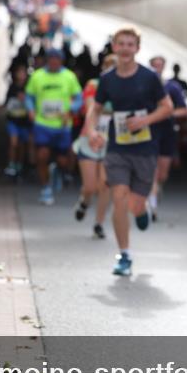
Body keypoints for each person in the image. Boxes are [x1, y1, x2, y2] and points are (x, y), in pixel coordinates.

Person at [83, 26, 174, 276]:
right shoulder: (108, 79)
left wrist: (144, 121)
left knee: (134, 205)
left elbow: (167, 107)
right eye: (120, 43)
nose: (125, 48)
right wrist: (92, 132)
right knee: (119, 197)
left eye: (130, 44)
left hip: (145, 149)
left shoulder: (148, 77)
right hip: (117, 149)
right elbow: (95, 108)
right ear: (114, 47)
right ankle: (124, 255)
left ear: (137, 48)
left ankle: (142, 210)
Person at [26, 48, 83, 205]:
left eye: (57, 59)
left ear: (61, 61)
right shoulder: (38, 76)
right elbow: (29, 97)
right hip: (42, 123)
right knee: (42, 155)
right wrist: (30, 110)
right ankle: (45, 189)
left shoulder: (69, 77)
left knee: (63, 161)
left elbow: (79, 98)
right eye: (51, 59)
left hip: (62, 126)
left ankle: (58, 171)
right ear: (47, 60)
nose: (54, 62)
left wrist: (71, 110)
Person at [73, 55, 118, 239]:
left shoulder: (125, 88)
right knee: (90, 186)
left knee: (105, 184)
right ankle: (84, 202)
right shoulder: (93, 85)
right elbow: (92, 108)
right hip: (90, 138)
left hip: (112, 142)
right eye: (109, 67)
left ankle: (99, 223)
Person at [148, 55, 187, 222]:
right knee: (152, 169)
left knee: (162, 174)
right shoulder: (145, 84)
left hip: (167, 132)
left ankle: (157, 190)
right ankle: (151, 204)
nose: (157, 68)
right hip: (149, 131)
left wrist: (167, 112)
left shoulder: (172, 87)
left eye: (160, 65)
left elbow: (185, 111)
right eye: (154, 65)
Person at [3, 64, 31, 177]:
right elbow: (7, 102)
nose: (21, 75)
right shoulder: (12, 87)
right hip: (13, 120)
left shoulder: (29, 88)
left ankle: (19, 164)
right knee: (13, 142)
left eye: (23, 73)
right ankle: (11, 164)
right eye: (19, 73)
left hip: (24, 122)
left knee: (22, 144)